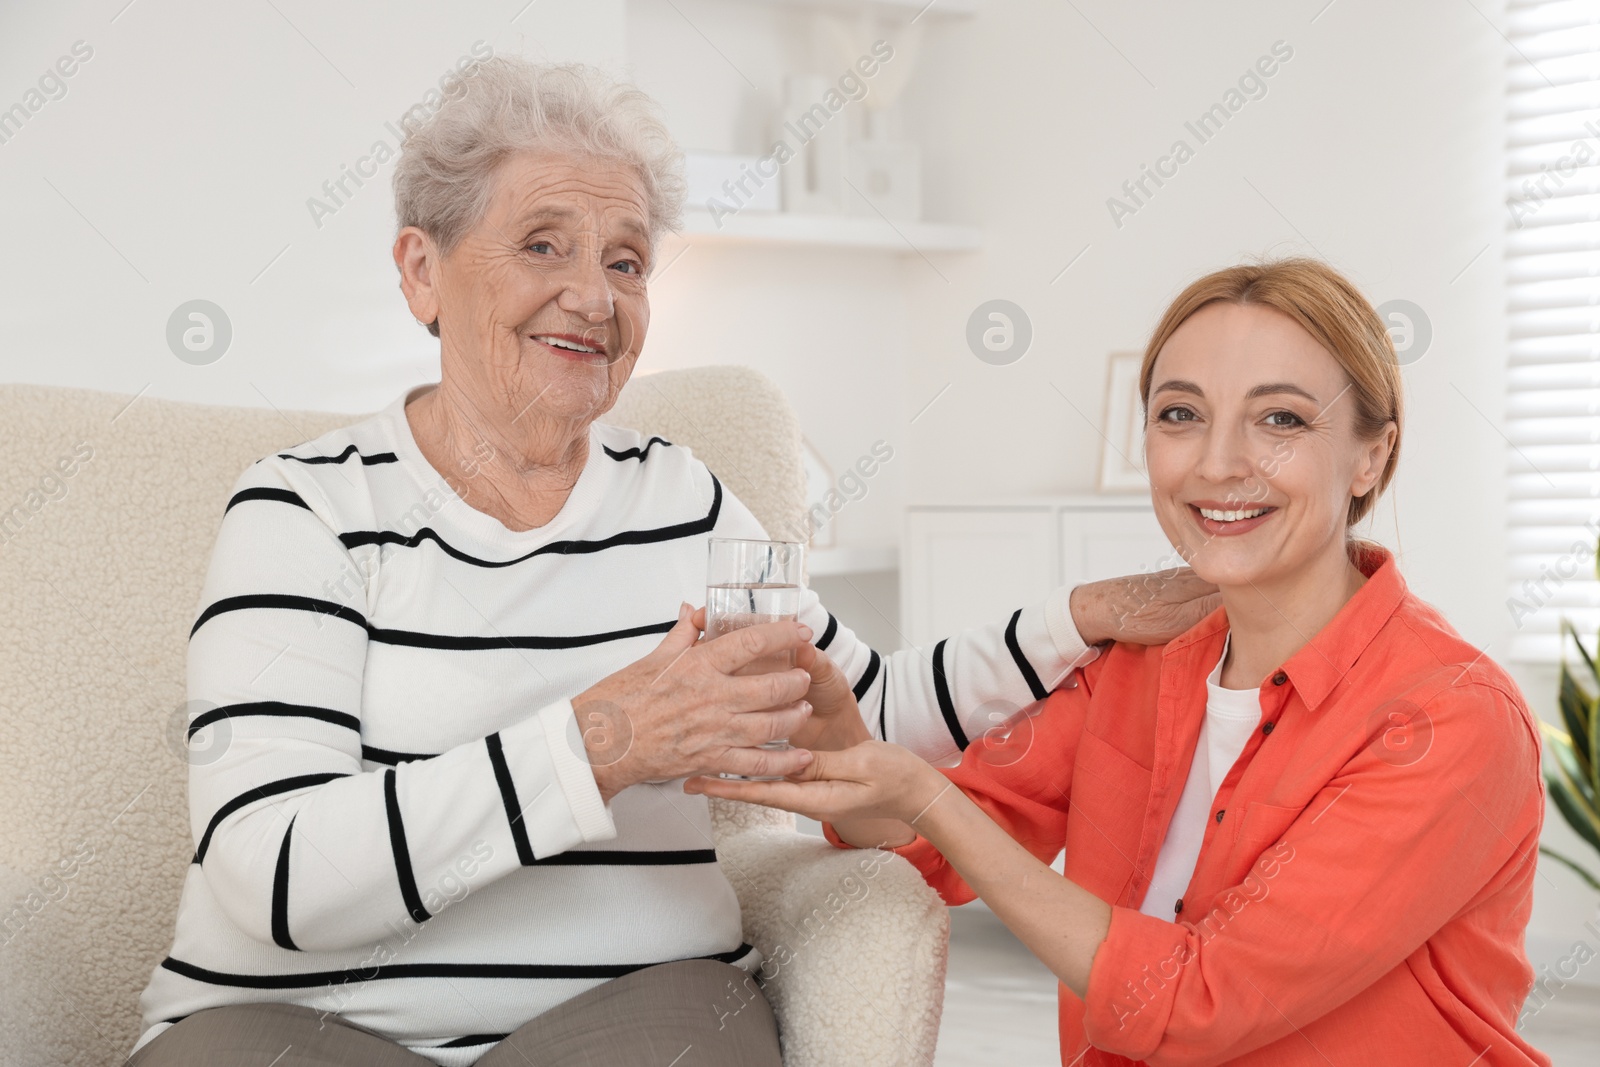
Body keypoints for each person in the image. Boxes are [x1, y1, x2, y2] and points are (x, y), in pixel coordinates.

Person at [125, 57, 1217, 1066]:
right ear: (422, 269)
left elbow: (861, 712)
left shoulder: (684, 502)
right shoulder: (307, 507)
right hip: (305, 1023)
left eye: (626, 260)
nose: (595, 296)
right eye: (542, 243)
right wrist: (604, 741)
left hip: (627, 1013)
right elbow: (273, 873)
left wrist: (1074, 616)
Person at [691, 258, 1551, 1067]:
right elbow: (931, 844)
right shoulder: (1141, 666)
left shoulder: (1448, 719)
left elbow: (1194, 1001)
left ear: (1373, 455)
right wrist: (849, 749)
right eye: (1181, 414)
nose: (1218, 463)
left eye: (1281, 419)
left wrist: (922, 790)